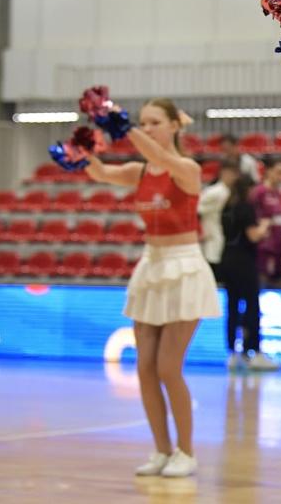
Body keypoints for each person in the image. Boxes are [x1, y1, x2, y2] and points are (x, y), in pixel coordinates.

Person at [82, 98, 220, 477]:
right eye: (143, 122)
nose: (149, 128)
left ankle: (186, 452)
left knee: (168, 367)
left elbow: (157, 152)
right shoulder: (138, 171)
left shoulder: (186, 169)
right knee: (144, 368)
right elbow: (101, 174)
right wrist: (82, 152)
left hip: (184, 268)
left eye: (155, 122)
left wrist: (126, 129)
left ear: (176, 125)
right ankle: (161, 451)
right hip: (151, 265)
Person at [221, 174, 280, 372]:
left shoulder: (226, 207)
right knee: (252, 306)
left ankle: (232, 352)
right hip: (244, 261)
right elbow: (253, 235)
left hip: (227, 259)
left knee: (232, 307)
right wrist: (264, 226)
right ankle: (253, 350)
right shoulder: (246, 208)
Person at [197, 160, 240, 280]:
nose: (234, 177)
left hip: (222, 235)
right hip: (211, 234)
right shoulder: (215, 191)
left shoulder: (228, 191)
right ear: (224, 173)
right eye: (232, 173)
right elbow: (196, 207)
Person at [251, 159, 281, 281]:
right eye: (279, 172)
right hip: (264, 244)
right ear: (269, 171)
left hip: (277, 241)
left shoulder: (277, 192)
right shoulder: (259, 192)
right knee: (263, 276)